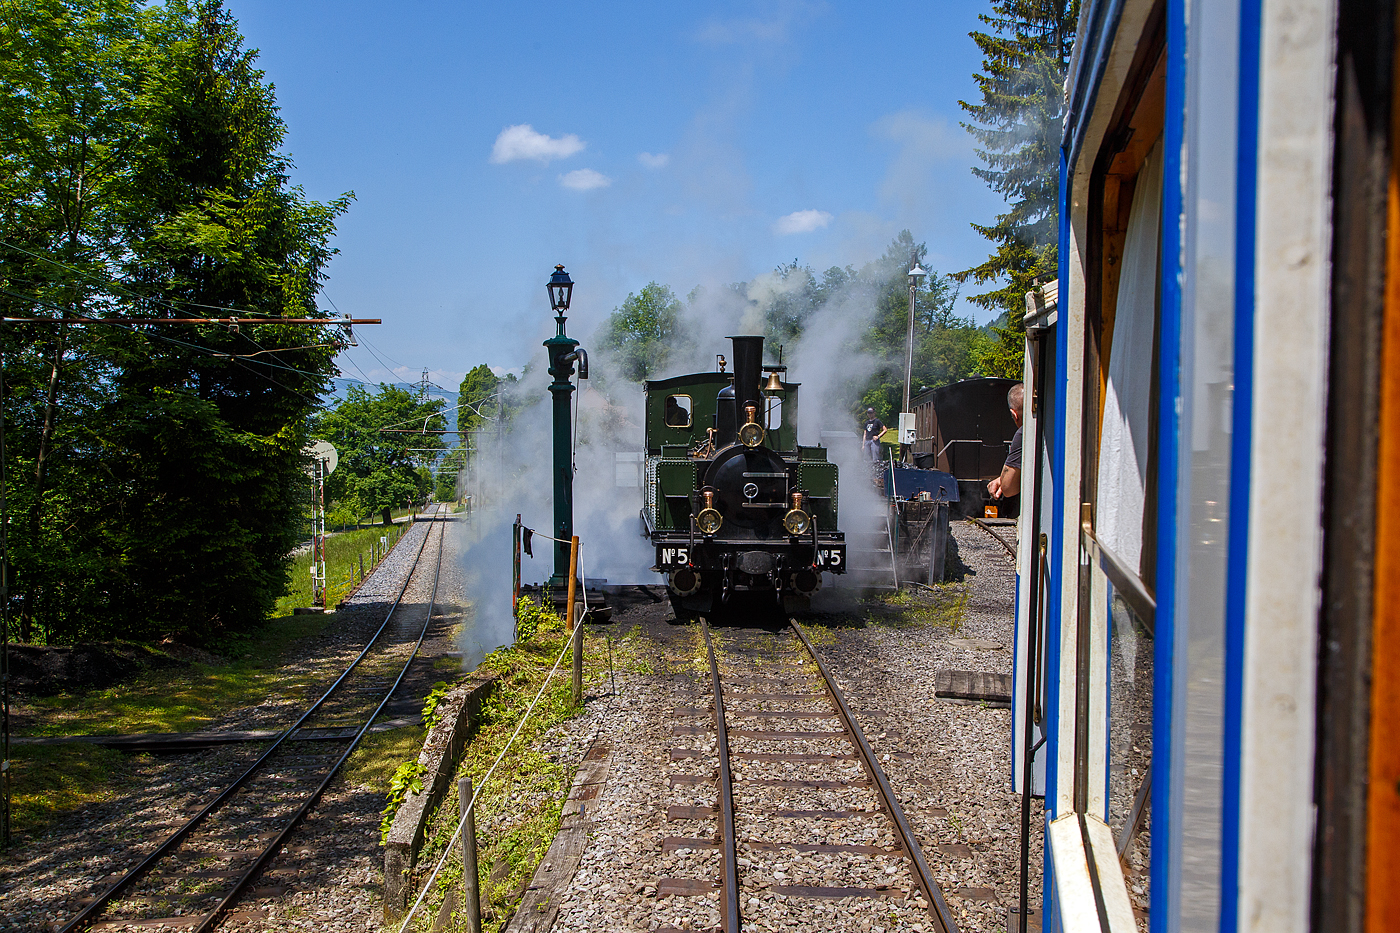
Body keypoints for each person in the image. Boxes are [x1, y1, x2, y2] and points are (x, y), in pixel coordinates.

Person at [988, 383, 1024, 500]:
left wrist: (1004, 480)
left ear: (1014, 415)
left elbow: (1008, 488)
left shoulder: (1023, 433)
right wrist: (1001, 479)